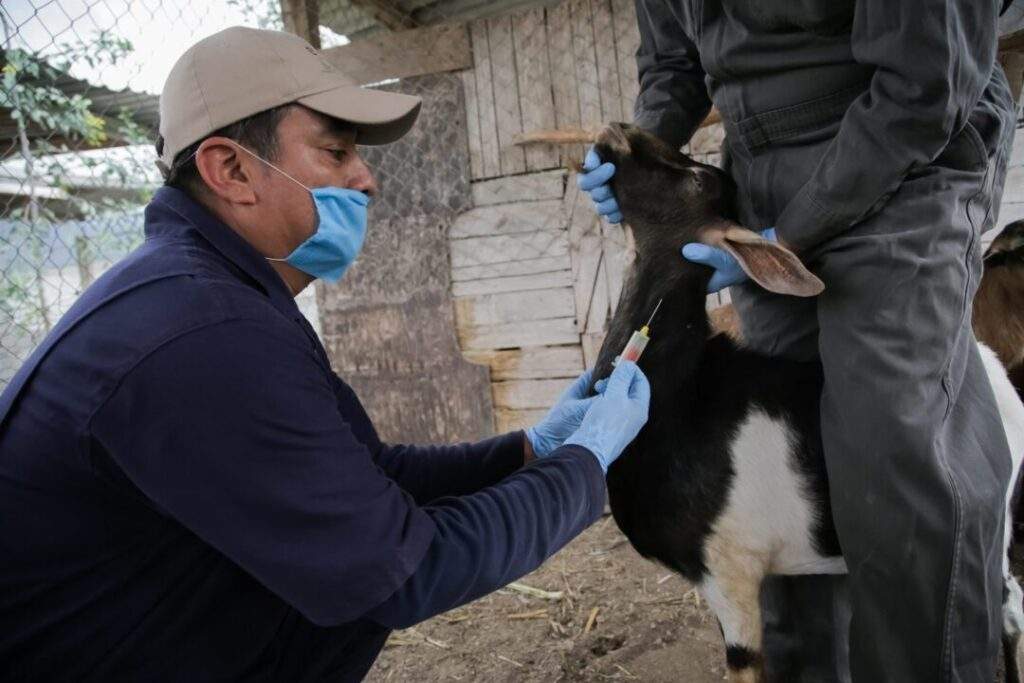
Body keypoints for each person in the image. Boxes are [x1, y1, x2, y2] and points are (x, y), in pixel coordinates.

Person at [0, 27, 651, 681]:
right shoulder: (202, 332)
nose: (366, 179)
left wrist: (533, 447)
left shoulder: (216, 294)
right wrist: (585, 464)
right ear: (231, 170)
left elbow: (370, 476)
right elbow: (404, 571)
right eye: (336, 152)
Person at [579, 1, 1018, 681]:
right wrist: (648, 148)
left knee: (889, 452)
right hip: (764, 172)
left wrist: (788, 236)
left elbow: (924, 84)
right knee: (788, 468)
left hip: (907, 157)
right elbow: (670, 62)